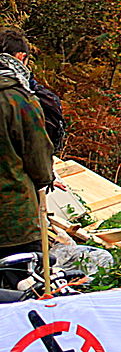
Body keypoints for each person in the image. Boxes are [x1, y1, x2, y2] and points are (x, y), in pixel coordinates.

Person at [0, 28, 54, 256]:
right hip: (13, 214)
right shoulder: (18, 99)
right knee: (22, 280)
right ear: (21, 58)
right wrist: (45, 177)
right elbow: (37, 151)